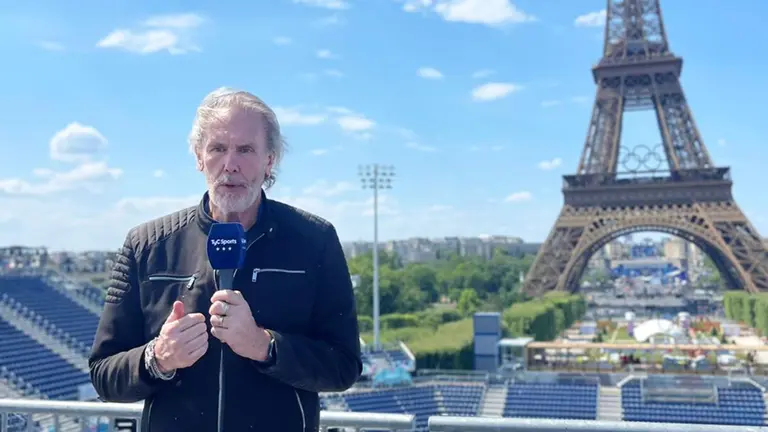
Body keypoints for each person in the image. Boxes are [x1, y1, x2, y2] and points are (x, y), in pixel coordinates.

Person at [88, 87, 363, 431]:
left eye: (245, 150)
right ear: (199, 157)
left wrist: (266, 346)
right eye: (218, 148)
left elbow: (344, 366)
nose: (230, 164)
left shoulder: (316, 240)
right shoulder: (146, 245)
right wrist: (158, 358)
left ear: (269, 160)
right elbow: (103, 374)